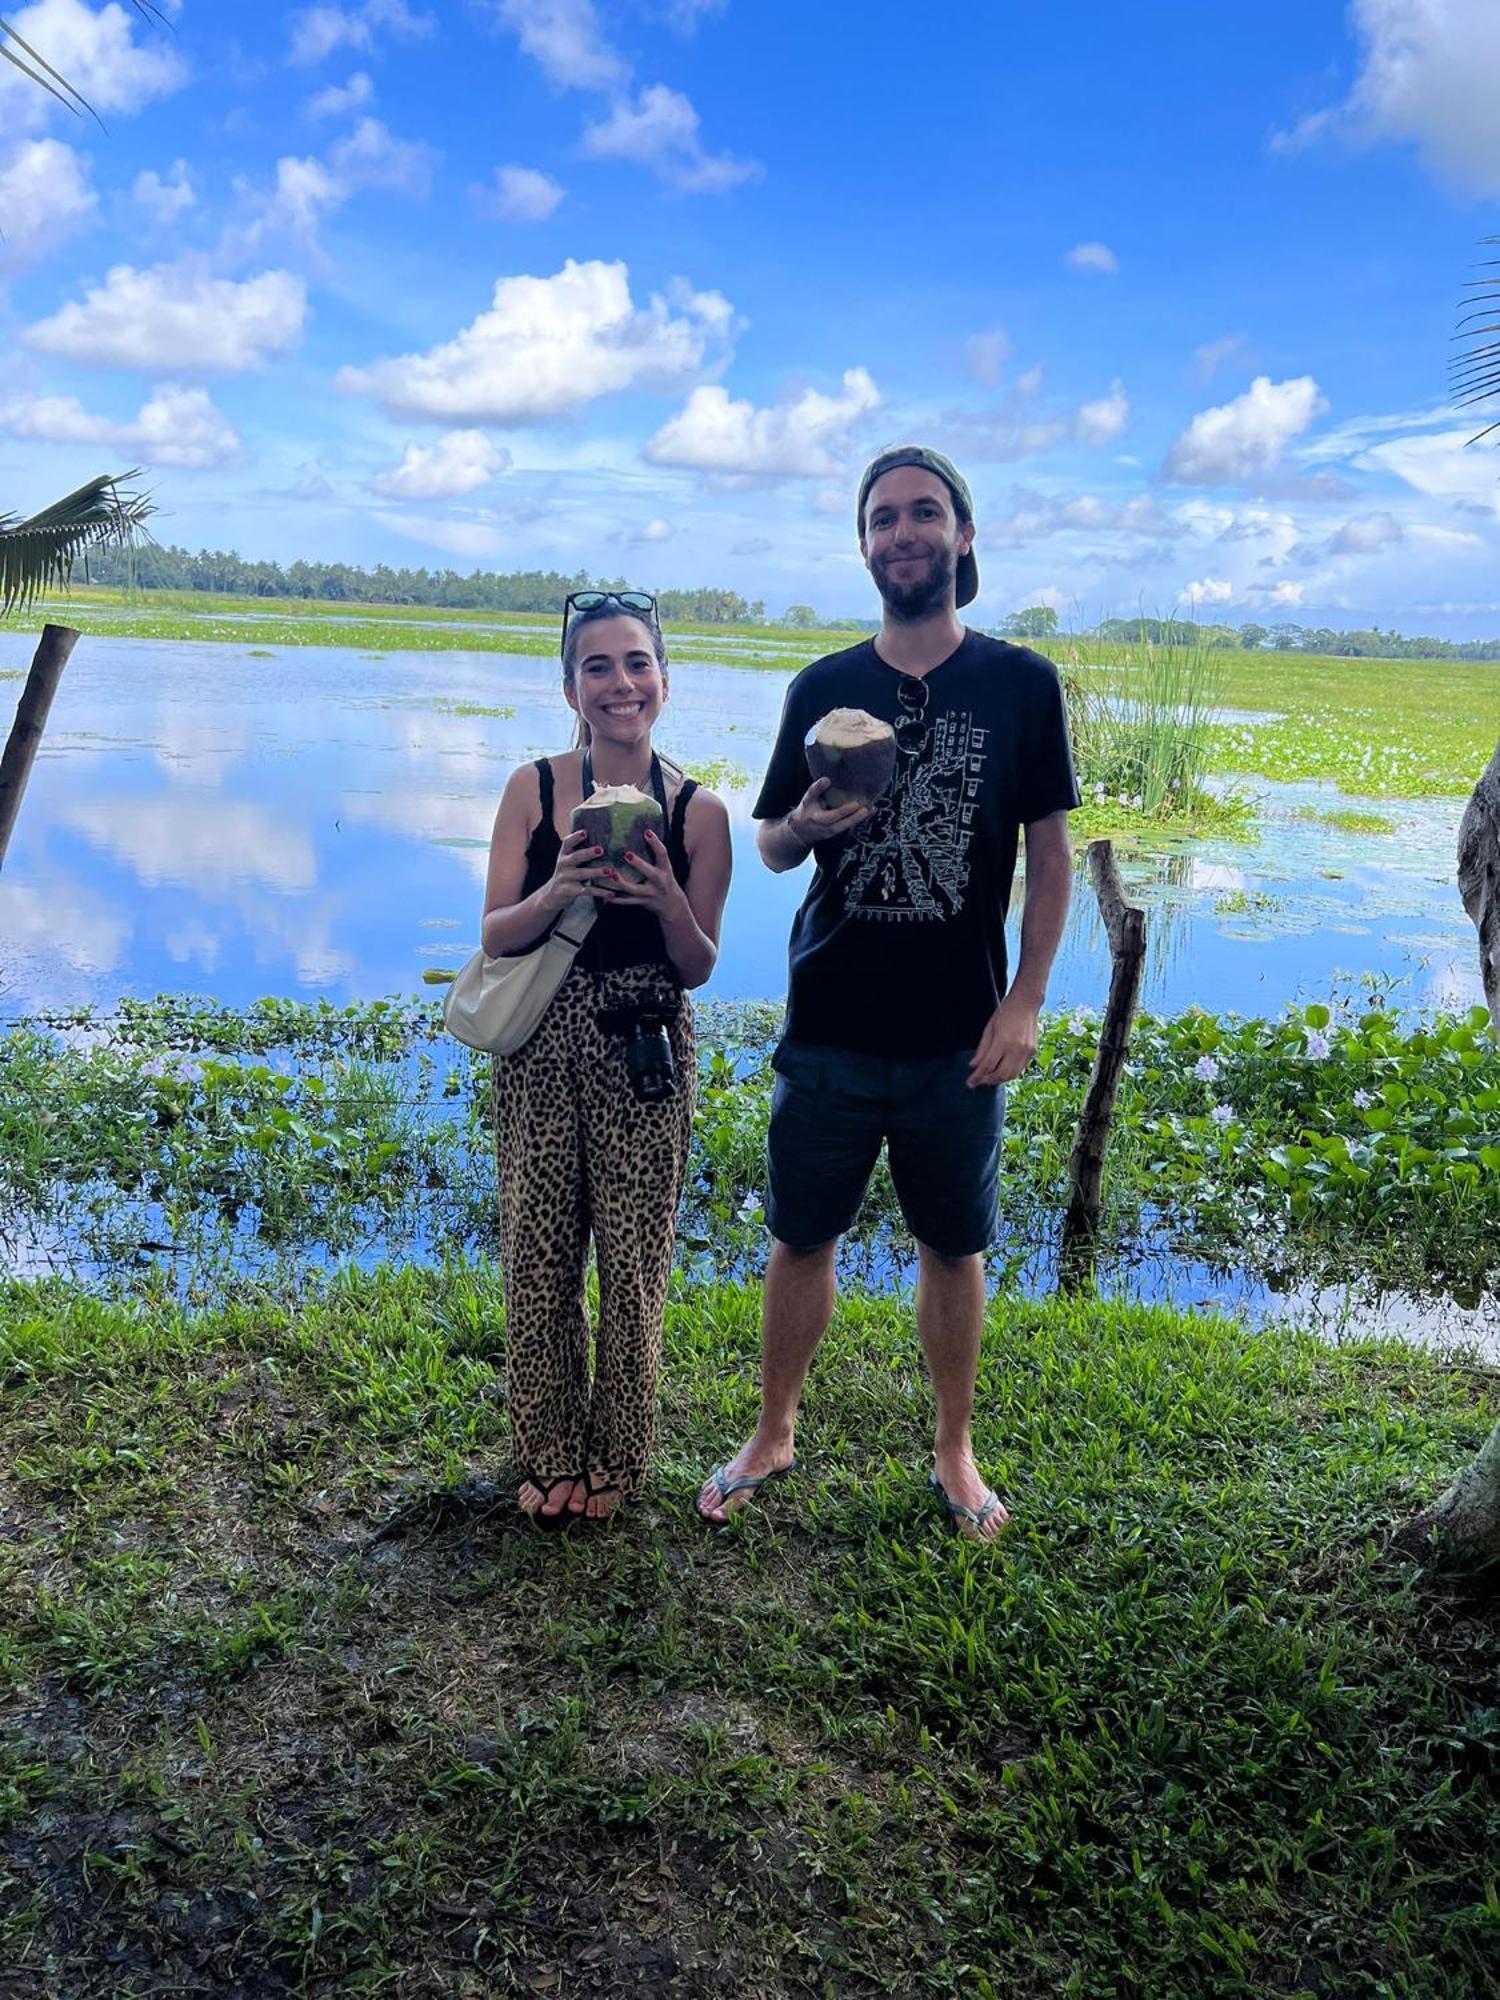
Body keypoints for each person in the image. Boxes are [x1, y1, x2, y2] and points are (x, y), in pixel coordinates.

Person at [696, 447, 1078, 1541]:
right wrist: (800, 828)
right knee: (800, 1234)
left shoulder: (1020, 683)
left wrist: (1028, 1001)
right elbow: (771, 841)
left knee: (954, 1244)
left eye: (924, 513)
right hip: (831, 1022)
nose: (903, 532)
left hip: (961, 1029)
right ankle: (774, 1428)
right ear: (863, 545)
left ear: (964, 537)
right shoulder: (822, 687)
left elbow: (1050, 857)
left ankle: (955, 1449)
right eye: (882, 518)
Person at [483, 589, 732, 1523]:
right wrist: (558, 890)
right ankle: (546, 1451)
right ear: (570, 686)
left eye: (637, 663)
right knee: (538, 1252)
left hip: (645, 1046)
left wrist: (667, 898)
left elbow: (699, 964)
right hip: (542, 1045)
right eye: (598, 666)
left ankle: (618, 1455)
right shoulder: (535, 790)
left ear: (664, 680)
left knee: (633, 1264)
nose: (620, 683)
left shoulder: (698, 812)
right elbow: (497, 934)